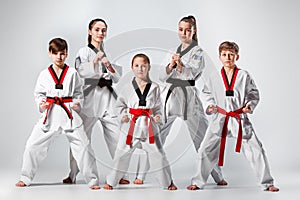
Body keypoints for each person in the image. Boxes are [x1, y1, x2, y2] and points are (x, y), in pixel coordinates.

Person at [187, 41, 279, 192]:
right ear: (219, 56)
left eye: (231, 54)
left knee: (257, 150)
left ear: (237, 56)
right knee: (205, 149)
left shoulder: (244, 75)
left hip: (238, 118)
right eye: (224, 54)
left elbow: (254, 93)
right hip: (220, 118)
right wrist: (210, 106)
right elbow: (206, 93)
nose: (227, 57)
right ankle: (197, 181)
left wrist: (250, 105)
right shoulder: (214, 76)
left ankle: (267, 183)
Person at [15, 38, 100, 190]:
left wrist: (77, 103)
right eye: (56, 53)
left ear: (67, 54)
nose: (59, 57)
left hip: (69, 114)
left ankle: (92, 180)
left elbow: (79, 92)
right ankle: (25, 177)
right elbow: (38, 93)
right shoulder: (44, 75)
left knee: (85, 147)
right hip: (51, 114)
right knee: (32, 145)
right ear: (50, 53)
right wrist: (41, 104)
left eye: (62, 53)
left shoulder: (73, 73)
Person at [159, 15, 227, 185]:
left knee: (202, 138)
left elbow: (192, 73)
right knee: (156, 135)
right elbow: (161, 75)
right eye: (181, 29)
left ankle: (218, 176)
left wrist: (179, 64)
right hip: (171, 95)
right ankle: (141, 175)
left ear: (194, 31)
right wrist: (171, 65)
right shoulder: (171, 50)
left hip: (188, 95)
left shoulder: (198, 52)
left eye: (188, 30)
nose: (184, 33)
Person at [62, 18, 127, 184]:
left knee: (117, 138)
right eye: (97, 29)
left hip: (107, 98)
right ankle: (73, 174)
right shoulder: (83, 52)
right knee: (81, 138)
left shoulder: (108, 52)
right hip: (89, 98)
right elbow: (80, 71)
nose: (101, 33)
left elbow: (117, 76)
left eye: (104, 30)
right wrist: (96, 62)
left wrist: (108, 65)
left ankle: (120, 175)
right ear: (90, 31)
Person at [103, 53, 177, 190]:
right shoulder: (127, 88)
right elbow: (119, 105)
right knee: (121, 155)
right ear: (132, 68)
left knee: (159, 155)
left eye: (143, 66)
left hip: (149, 127)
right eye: (136, 66)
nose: (140, 69)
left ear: (149, 67)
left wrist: (158, 117)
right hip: (131, 126)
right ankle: (111, 181)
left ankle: (167, 182)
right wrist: (123, 116)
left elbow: (158, 107)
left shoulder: (155, 87)